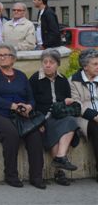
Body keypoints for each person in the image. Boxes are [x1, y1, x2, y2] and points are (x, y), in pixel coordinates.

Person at [0, 43, 45, 189]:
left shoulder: (21, 76)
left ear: (13, 58)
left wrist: (29, 106)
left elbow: (31, 98)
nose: (1, 58)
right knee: (11, 134)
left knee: (34, 135)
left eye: (5, 55)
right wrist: (12, 106)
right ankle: (11, 175)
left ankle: (36, 176)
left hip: (20, 114)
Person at [29, 49, 79, 186]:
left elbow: (66, 101)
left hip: (60, 116)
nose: (47, 65)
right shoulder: (35, 79)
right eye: (45, 62)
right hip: (43, 118)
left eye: (51, 62)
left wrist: (68, 102)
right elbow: (30, 103)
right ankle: (59, 171)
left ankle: (60, 157)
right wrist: (38, 122)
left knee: (70, 121)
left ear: (58, 64)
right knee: (55, 130)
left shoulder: (63, 80)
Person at [69, 49, 98, 183]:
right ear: (85, 66)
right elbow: (76, 103)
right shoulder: (74, 81)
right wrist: (94, 116)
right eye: (95, 64)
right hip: (85, 117)